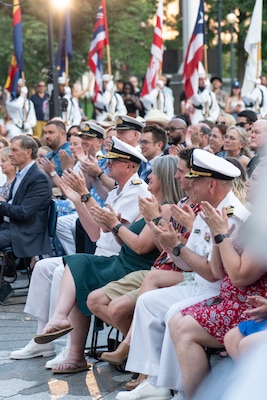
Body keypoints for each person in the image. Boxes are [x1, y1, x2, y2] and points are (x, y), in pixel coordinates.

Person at [115, 149, 250, 400]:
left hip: (217, 290)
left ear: (211, 184)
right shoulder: (207, 209)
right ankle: (154, 380)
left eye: (194, 178)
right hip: (200, 284)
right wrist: (169, 243)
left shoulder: (230, 215)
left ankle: (172, 385)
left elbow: (213, 274)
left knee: (173, 312)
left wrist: (175, 246)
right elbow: (188, 261)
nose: (188, 182)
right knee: (147, 301)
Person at [9, 137, 149, 367]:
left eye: (113, 160)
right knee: (44, 267)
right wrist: (77, 200)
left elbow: (109, 228)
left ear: (130, 166)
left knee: (67, 271)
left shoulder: (137, 192)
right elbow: (95, 234)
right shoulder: (117, 191)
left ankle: (70, 347)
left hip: (117, 259)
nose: (107, 165)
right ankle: (44, 337)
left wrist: (84, 194)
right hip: (103, 254)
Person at [168, 193, 267, 399]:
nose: (248, 183)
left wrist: (222, 236)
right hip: (232, 298)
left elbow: (239, 276)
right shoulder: (253, 220)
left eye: (256, 179)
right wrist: (216, 239)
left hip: (247, 304)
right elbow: (218, 272)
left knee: (185, 328)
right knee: (176, 317)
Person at [0, 135, 52, 303]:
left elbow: (24, 213)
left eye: (15, 150)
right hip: (11, 226)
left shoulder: (38, 178)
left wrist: (0, 204)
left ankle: (2, 286)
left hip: (25, 232)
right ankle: (2, 286)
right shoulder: (22, 174)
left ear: (28, 152)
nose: (11, 154)